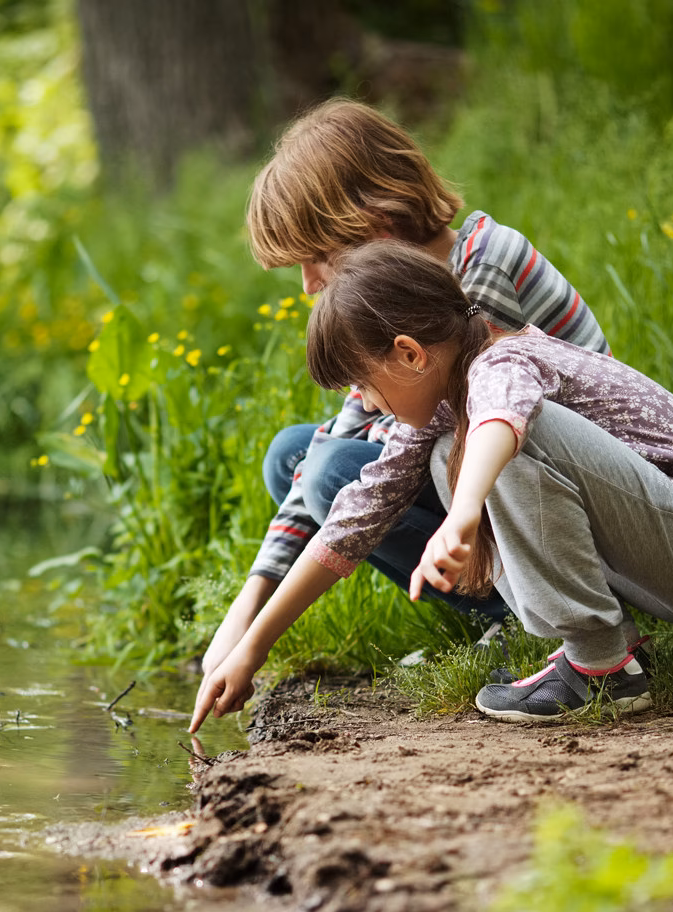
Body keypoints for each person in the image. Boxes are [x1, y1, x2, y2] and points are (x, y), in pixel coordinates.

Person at [190, 241, 673, 731]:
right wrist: (253, 646)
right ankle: (615, 650)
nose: (363, 403)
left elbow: (501, 424)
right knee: (447, 453)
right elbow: (354, 519)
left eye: (363, 384)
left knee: (499, 443)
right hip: (664, 555)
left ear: (410, 354)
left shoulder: (503, 359)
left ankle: (601, 666)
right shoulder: (442, 401)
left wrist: (463, 514)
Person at [200, 97, 611, 679]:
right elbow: (342, 433)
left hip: (570, 498)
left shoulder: (478, 271)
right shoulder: (392, 299)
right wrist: (243, 614)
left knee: (337, 472)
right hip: (493, 476)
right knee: (294, 456)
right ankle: (503, 613)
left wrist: (260, 640)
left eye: (317, 257)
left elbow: (401, 456)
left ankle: (537, 611)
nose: (309, 284)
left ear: (376, 228)